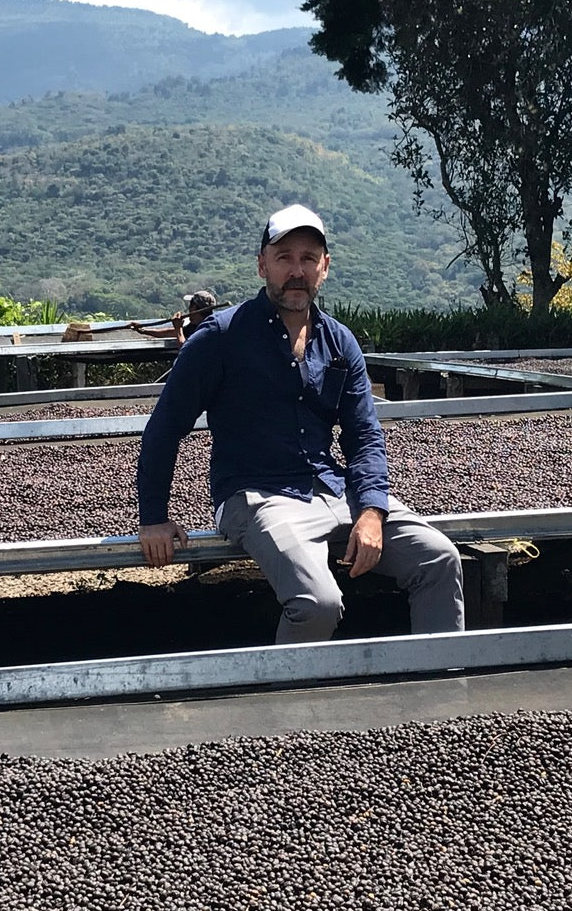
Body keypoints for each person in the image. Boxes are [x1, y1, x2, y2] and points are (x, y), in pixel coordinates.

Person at [136, 203, 465, 644]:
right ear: (262, 266)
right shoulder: (219, 338)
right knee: (317, 603)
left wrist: (371, 510)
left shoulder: (338, 341)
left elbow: (364, 436)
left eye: (308, 259)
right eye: (284, 257)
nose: (297, 270)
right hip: (256, 494)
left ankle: (440, 697)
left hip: (333, 489)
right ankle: (289, 709)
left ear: (324, 268)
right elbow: (165, 427)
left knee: (439, 559)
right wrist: (154, 517)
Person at [128, 290, 217, 346]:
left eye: (191, 304)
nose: (189, 308)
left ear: (194, 308)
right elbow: (169, 333)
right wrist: (143, 330)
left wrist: (178, 328)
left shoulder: (208, 330)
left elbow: (185, 348)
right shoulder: (193, 326)